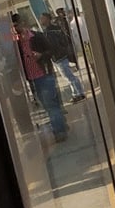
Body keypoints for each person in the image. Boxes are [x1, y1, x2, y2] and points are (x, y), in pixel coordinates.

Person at [13, 14, 68, 142]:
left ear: (23, 24)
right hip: (32, 80)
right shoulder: (16, 44)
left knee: (50, 104)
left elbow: (51, 50)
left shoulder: (36, 37)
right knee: (48, 104)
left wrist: (41, 55)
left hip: (44, 75)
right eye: (14, 27)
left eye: (18, 25)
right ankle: (60, 125)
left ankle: (59, 131)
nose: (17, 29)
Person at [39, 12, 85, 103]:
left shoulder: (50, 32)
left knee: (69, 76)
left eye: (42, 18)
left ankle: (79, 93)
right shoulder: (52, 30)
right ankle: (76, 93)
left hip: (59, 56)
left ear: (47, 19)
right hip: (59, 56)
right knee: (67, 76)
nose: (41, 20)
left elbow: (54, 44)